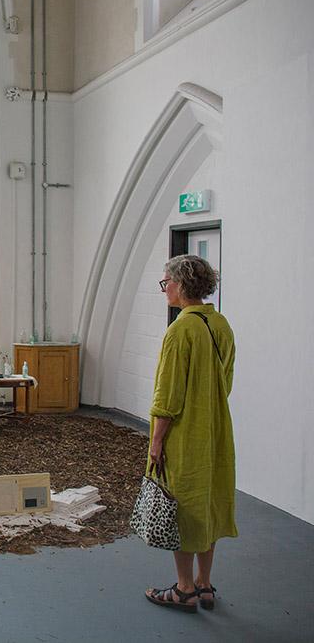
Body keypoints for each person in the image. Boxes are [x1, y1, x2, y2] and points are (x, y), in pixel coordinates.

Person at [144, 254, 237, 613]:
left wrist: (156, 441)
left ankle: (184, 589)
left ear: (181, 284)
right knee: (207, 503)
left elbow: (167, 397)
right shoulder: (221, 324)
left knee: (181, 507)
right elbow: (225, 381)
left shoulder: (180, 330)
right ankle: (204, 583)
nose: (164, 288)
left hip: (183, 435)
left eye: (166, 282)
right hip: (214, 431)